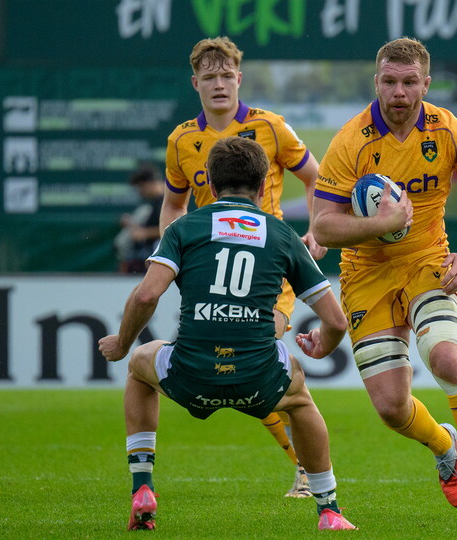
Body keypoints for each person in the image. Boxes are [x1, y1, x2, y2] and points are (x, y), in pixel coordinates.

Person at [311, 37, 457, 522]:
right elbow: (323, 225)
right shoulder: (351, 141)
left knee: (447, 360)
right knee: (390, 407)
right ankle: (442, 442)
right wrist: (379, 225)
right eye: (390, 81)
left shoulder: (447, 130)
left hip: (429, 260)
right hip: (365, 274)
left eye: (410, 83)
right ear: (377, 82)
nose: (399, 92)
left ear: (426, 84)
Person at [98, 136, 355, 531]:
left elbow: (147, 294)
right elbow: (337, 321)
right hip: (258, 378)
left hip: (190, 375)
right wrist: (325, 345)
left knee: (138, 364)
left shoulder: (184, 228)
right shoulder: (282, 235)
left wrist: (120, 343)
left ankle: (143, 487)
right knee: (300, 398)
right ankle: (330, 510)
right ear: (266, 182)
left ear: (211, 186)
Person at [162, 36, 327, 497]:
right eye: (209, 77)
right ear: (195, 83)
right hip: (210, 269)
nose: (219, 84)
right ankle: (304, 464)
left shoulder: (270, 127)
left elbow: (315, 178)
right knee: (239, 369)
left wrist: (315, 230)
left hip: (271, 267)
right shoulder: (182, 140)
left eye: (226, 75)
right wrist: (168, 257)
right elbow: (173, 204)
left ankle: (305, 470)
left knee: (253, 351)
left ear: (239, 78)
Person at [115, 163, 165, 273]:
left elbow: (170, 228)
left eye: (141, 186)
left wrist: (145, 233)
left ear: (150, 183)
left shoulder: (166, 201)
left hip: (162, 259)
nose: (139, 191)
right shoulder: (156, 201)